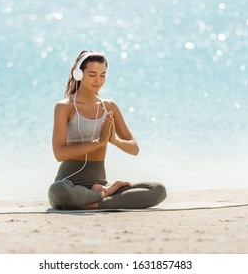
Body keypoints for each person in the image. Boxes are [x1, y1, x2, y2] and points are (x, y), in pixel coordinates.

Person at [48, 50, 167, 210]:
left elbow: (134, 148)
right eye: (92, 75)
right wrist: (99, 142)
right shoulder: (65, 107)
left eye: (103, 75)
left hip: (100, 183)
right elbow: (59, 154)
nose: (98, 81)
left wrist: (115, 141)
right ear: (78, 74)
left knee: (158, 190)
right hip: (69, 182)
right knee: (58, 192)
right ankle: (101, 196)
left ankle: (94, 200)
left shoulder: (109, 107)